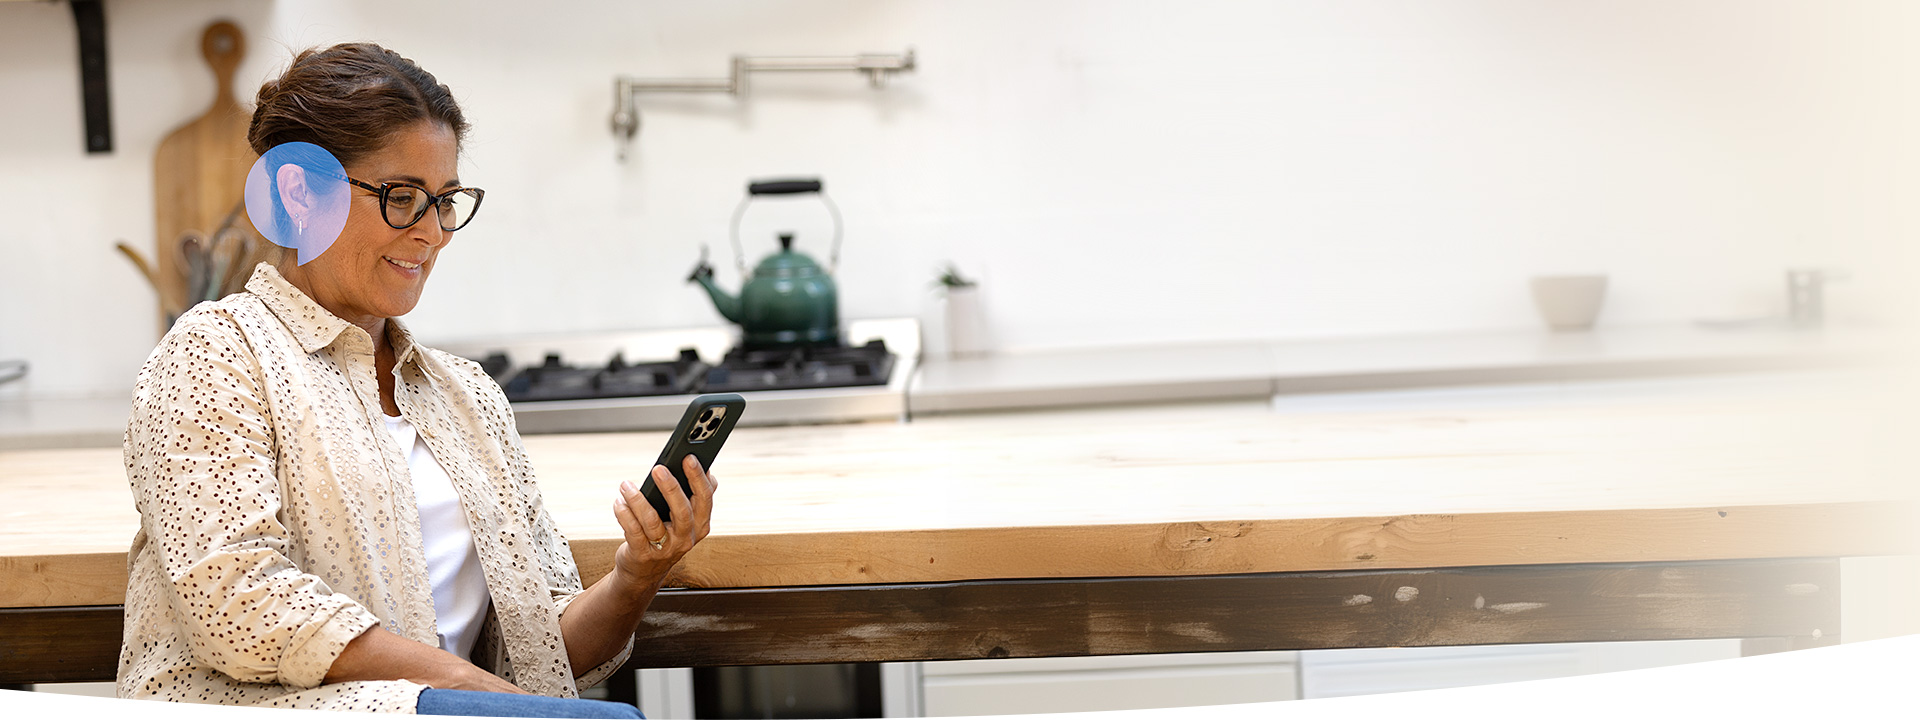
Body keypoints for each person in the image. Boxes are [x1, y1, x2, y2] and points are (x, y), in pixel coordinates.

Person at [116, 43, 712, 717]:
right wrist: (468, 688)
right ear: (298, 193)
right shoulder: (214, 353)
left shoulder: (469, 397)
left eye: (446, 200)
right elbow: (238, 602)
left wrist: (638, 575)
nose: (433, 232)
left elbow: (540, 657)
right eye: (402, 198)